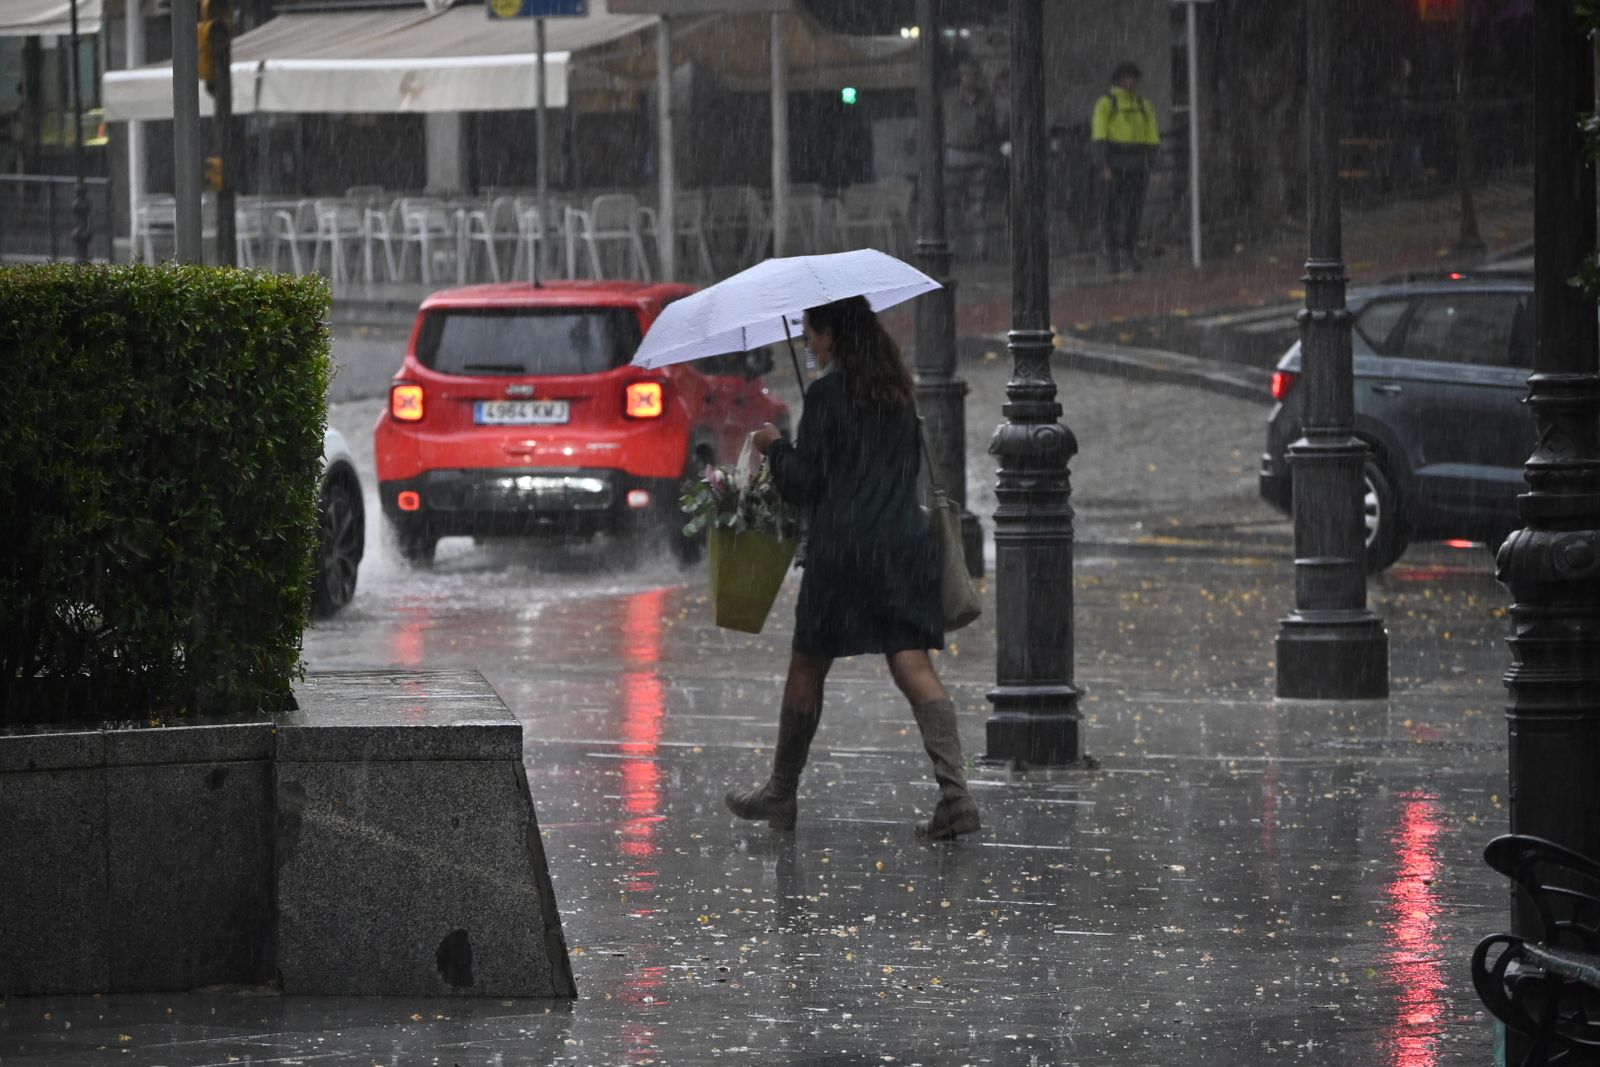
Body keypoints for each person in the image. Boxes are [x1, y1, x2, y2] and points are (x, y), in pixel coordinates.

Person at [724, 296, 980, 841]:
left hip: (844, 552)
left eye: (810, 333)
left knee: (807, 666)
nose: (807, 343)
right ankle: (956, 795)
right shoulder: (898, 394)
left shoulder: (826, 396)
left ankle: (781, 792)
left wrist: (775, 447)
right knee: (912, 663)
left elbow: (806, 483)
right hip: (903, 546)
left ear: (833, 335)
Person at [1091, 60, 1161, 274]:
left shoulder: (1144, 105)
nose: (1131, 82)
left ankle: (1130, 253)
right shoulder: (1106, 103)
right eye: (1127, 78)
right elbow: (1099, 136)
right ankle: (1112, 256)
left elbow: (1152, 137)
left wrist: (1152, 164)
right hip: (1114, 165)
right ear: (1119, 80)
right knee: (1110, 213)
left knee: (1133, 213)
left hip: (1136, 166)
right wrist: (1103, 165)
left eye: (1133, 78)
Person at [942, 57, 1001, 262]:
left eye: (973, 75)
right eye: (966, 75)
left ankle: (980, 248)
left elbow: (992, 129)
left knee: (978, 206)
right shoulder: (949, 99)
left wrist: (990, 154)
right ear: (961, 77)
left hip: (978, 156)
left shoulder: (986, 101)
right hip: (955, 155)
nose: (970, 79)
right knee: (952, 206)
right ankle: (954, 247)